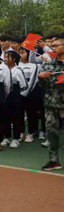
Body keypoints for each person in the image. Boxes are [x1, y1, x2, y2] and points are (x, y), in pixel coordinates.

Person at [38, 34, 64, 171]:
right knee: (51, 133)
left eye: (56, 45)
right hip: (50, 103)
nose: (53, 48)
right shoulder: (49, 63)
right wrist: (41, 77)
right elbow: (41, 85)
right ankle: (54, 160)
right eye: (52, 46)